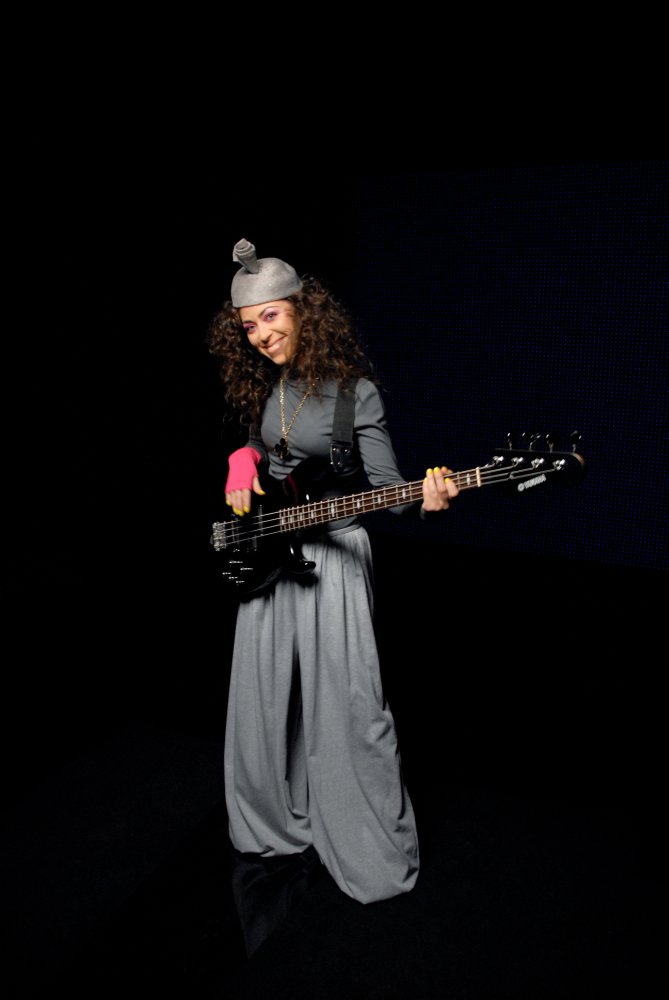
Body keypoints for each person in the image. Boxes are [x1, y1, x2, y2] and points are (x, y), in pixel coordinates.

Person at [207, 238, 458, 922]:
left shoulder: (355, 392)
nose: (261, 335)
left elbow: (391, 492)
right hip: (271, 555)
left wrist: (429, 497)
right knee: (260, 698)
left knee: (350, 704)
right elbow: (264, 447)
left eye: (271, 317)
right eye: (248, 326)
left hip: (336, 558)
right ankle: (272, 825)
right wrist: (241, 458)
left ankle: (368, 846)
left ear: (303, 311)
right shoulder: (265, 386)